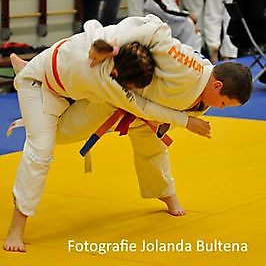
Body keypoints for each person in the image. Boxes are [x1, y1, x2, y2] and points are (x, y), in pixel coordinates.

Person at [4, 15, 252, 252]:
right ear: (217, 85)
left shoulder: (198, 96)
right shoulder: (182, 66)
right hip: (53, 82)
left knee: (151, 141)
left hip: (100, 90)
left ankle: (166, 194)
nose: (218, 109)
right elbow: (154, 28)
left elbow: (141, 105)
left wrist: (181, 120)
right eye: (222, 104)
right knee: (43, 148)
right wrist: (112, 45)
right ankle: (17, 227)